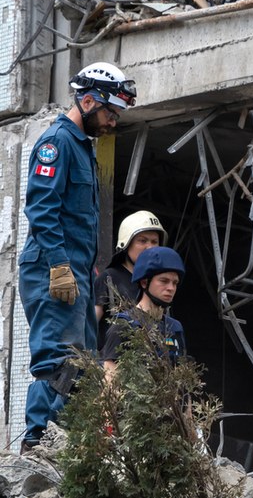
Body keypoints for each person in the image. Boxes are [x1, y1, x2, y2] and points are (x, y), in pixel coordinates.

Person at [17, 61, 136, 451]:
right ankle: (37, 442)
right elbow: (41, 208)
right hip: (53, 268)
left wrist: (86, 269)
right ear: (87, 101)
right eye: (109, 112)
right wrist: (60, 265)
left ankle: (64, 443)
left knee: (82, 363)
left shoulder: (82, 147)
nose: (112, 122)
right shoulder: (57, 143)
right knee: (57, 358)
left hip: (75, 271)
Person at [100, 246, 187, 377]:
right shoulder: (124, 324)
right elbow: (111, 384)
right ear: (144, 282)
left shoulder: (175, 328)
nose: (171, 288)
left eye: (175, 283)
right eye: (164, 281)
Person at [94, 211, 168, 351]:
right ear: (126, 244)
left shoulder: (161, 284)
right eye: (142, 241)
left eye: (154, 242)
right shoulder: (108, 278)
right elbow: (89, 329)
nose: (150, 247)